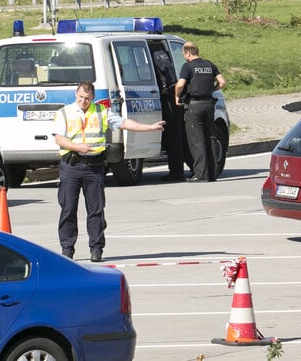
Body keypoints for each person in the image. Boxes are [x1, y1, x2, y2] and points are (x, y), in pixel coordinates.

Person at [53, 81, 166, 262]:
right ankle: (67, 249)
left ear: (93, 98)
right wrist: (76, 147)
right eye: (81, 97)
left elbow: (124, 123)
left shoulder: (101, 112)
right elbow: (59, 139)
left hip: (94, 167)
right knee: (68, 209)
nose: (83, 101)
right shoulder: (64, 113)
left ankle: (96, 249)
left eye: (87, 98)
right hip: (71, 165)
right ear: (76, 94)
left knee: (96, 210)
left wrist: (149, 127)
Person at [174, 42, 226, 182]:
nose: (184, 57)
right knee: (210, 137)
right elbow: (222, 82)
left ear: (188, 53)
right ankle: (212, 173)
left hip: (195, 105)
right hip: (209, 104)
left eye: (184, 54)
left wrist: (177, 96)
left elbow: (180, 84)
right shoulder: (209, 65)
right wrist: (212, 90)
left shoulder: (188, 66)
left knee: (196, 140)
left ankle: (200, 174)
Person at [153, 49, 185, 182]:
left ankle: (177, 171)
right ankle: (193, 169)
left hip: (167, 98)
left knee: (173, 137)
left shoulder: (157, 56)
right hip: (171, 99)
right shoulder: (163, 55)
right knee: (176, 137)